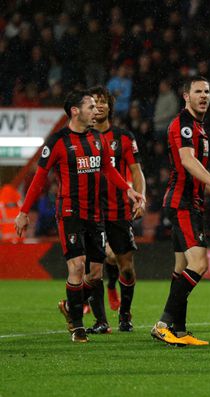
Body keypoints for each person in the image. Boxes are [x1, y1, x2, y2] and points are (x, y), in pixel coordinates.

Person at [15, 90, 144, 342]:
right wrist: (23, 211)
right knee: (76, 266)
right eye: (90, 106)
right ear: (75, 111)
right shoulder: (58, 142)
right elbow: (39, 179)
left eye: (97, 106)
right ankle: (77, 325)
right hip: (69, 212)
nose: (96, 110)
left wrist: (128, 190)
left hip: (95, 214)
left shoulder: (97, 139)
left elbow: (109, 168)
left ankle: (70, 307)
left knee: (94, 273)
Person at [151, 76, 210, 347]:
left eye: (207, 91)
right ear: (185, 96)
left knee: (182, 268)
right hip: (182, 204)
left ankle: (178, 329)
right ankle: (163, 325)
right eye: (198, 91)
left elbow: (197, 172)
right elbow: (188, 162)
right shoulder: (184, 125)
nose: (204, 96)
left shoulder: (199, 127)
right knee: (199, 264)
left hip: (191, 203)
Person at [87, 85, 145, 333]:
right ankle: (101, 321)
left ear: (110, 107)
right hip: (90, 212)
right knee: (94, 270)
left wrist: (140, 197)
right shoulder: (82, 138)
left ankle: (125, 313)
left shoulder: (123, 137)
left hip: (119, 212)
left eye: (103, 102)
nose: (98, 106)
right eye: (94, 102)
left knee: (127, 268)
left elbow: (136, 172)